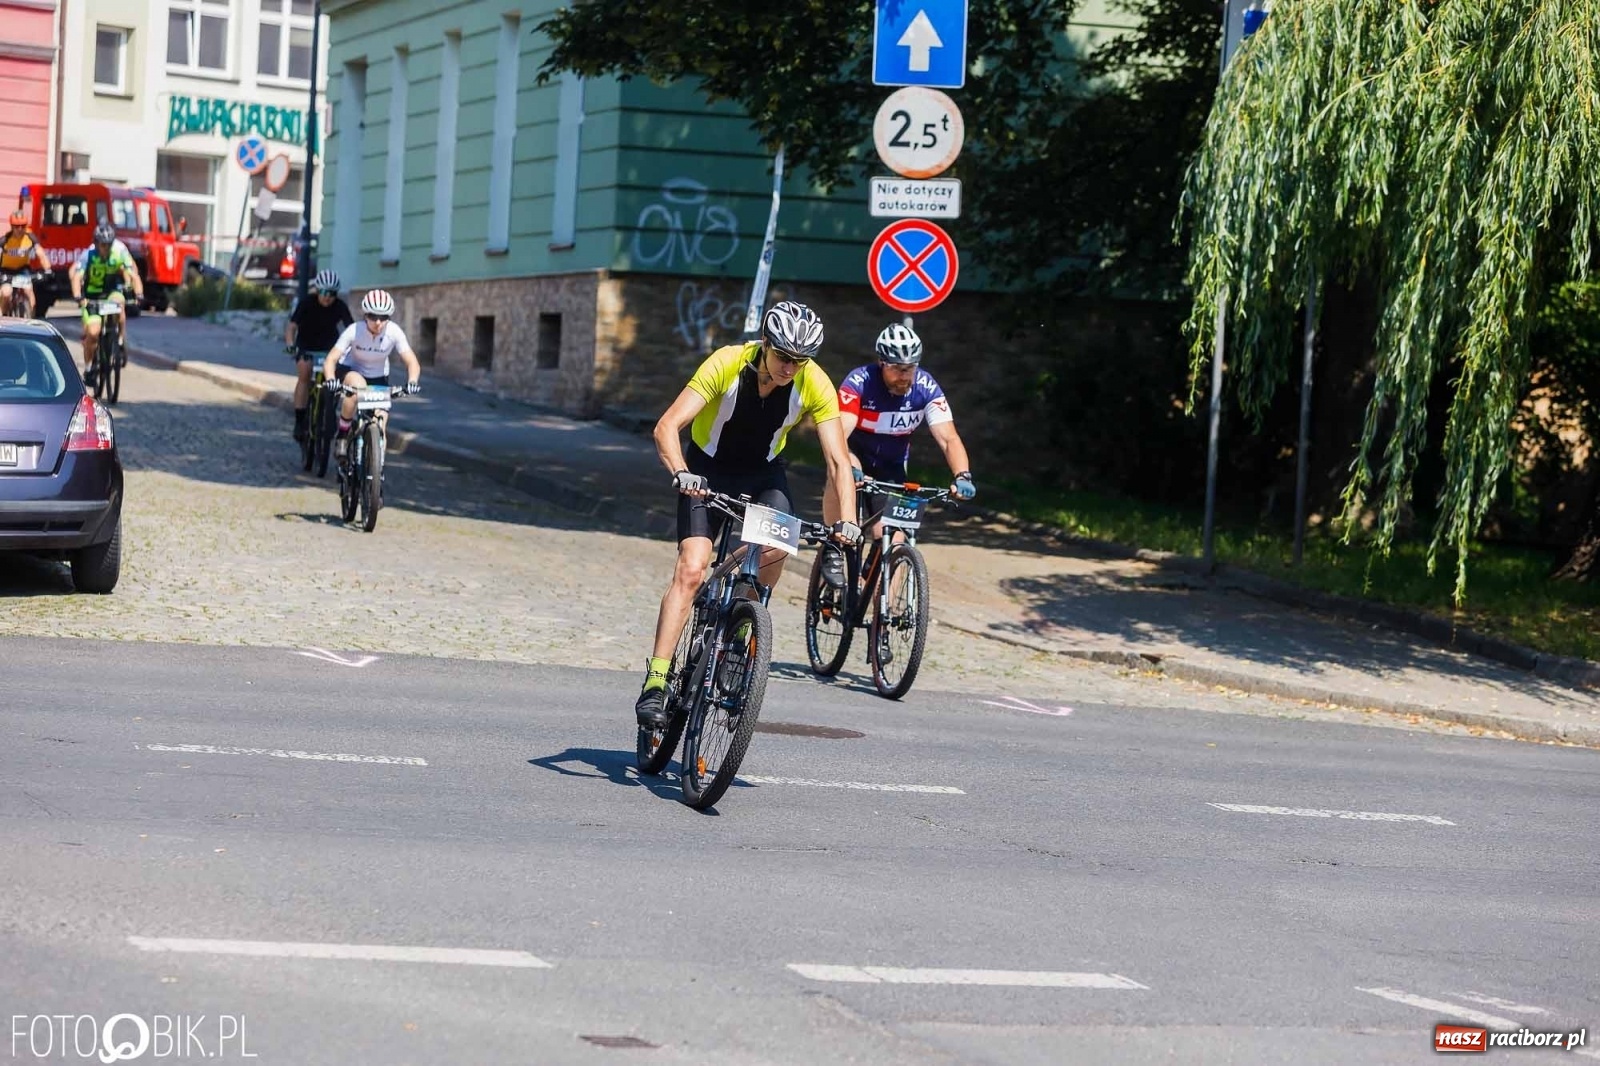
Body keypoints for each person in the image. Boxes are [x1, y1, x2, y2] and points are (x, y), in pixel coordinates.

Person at [634, 300, 861, 727]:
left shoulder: (814, 382)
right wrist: (681, 472)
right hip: (707, 470)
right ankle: (656, 683)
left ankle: (741, 631)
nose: (790, 368)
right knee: (692, 569)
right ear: (765, 344)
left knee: (776, 548)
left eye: (800, 361)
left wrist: (846, 519)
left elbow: (837, 460)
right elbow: (666, 426)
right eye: (784, 357)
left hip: (763, 475)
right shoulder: (726, 362)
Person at [821, 322, 976, 583]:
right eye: (898, 369)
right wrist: (849, 467)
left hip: (891, 465)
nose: (905, 376)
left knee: (893, 541)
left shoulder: (926, 387)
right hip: (856, 454)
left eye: (911, 368)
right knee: (838, 470)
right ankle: (832, 544)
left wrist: (963, 475)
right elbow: (839, 436)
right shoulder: (860, 382)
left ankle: (882, 618)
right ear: (882, 363)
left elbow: (949, 438)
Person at [320, 289, 421, 457]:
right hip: (352, 370)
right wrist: (330, 378)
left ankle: (376, 467)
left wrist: (412, 382)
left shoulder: (394, 332)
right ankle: (343, 434)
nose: (378, 322)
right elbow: (331, 359)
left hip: (378, 378)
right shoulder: (354, 330)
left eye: (384, 317)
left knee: (380, 424)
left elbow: (412, 362)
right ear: (365, 315)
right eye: (373, 316)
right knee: (357, 387)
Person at [284, 270, 354, 443]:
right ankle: (300, 422)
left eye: (332, 294)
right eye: (323, 292)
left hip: (329, 348)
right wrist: (291, 345)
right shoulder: (306, 303)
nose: (327, 297)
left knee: (337, 376)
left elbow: (352, 329)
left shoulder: (339, 306)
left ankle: (329, 410)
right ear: (317, 291)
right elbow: (292, 327)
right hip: (306, 345)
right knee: (304, 374)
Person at [69, 224, 143, 383]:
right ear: (96, 243)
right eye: (103, 245)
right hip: (91, 297)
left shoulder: (119, 253)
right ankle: (89, 368)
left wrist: (138, 294)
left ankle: (119, 340)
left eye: (109, 244)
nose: (106, 248)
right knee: (93, 333)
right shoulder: (88, 255)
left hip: (111, 293)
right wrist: (78, 296)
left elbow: (133, 274)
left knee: (119, 303)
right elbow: (76, 276)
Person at [0, 210, 51, 318]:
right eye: (16, 226)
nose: (20, 229)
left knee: (29, 292)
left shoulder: (30, 237)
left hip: (23, 270)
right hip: (6, 271)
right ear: (12, 226)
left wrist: (48, 270)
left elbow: (41, 254)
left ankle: (31, 319)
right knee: (6, 293)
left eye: (23, 226)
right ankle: (3, 317)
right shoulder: (5, 240)